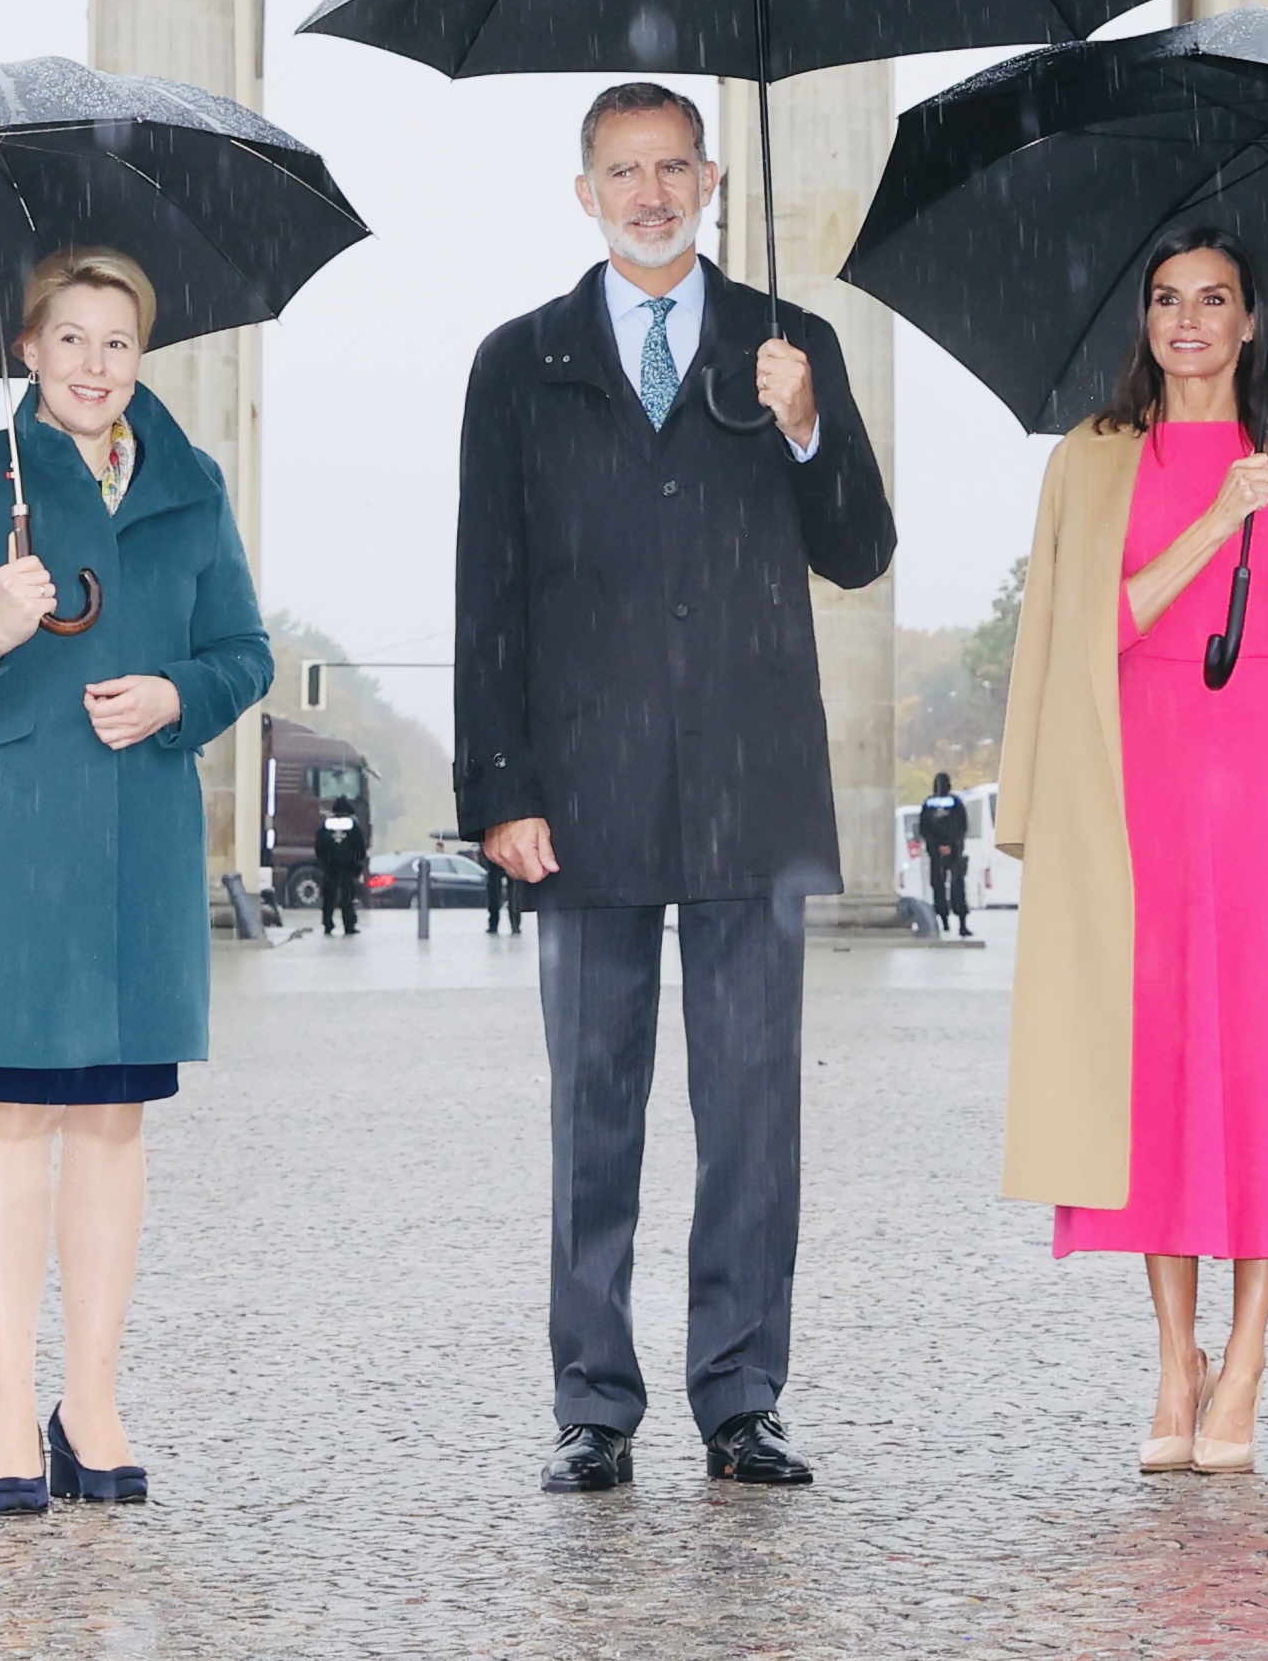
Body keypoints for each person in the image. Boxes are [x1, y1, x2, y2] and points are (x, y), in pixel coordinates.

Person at [456, 82, 894, 1494]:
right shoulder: (516, 363)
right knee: (594, 1105)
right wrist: (498, 785)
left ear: (711, 178)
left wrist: (810, 424)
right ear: (583, 190)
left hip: (749, 787)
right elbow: (492, 596)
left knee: (754, 1110)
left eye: (671, 168)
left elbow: (860, 551)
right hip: (575, 796)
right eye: (620, 170)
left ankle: (741, 1392)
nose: (649, 192)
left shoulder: (790, 345)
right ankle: (593, 1399)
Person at [995, 225, 1268, 1479]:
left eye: (1214, 301)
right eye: (1167, 300)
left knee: (1261, 1081)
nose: (1188, 321)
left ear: (1250, 323)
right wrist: (1210, 525)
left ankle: (1241, 1369)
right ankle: (1171, 1361)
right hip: (1136, 804)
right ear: (1146, 321)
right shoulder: (1091, 461)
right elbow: (1096, 631)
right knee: (1158, 1082)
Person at [0, 246, 271, 1514]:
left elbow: (244, 651)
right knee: (12, 1123)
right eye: (72, 339)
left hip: (135, 841)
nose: (96, 366)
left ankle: (89, 1400)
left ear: (140, 359)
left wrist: (175, 697)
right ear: (27, 349)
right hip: (7, 842)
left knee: (112, 1125)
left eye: (119, 343)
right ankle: (3, 1410)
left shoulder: (191, 490)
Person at [919, 771, 974, 938]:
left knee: (939, 886)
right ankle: (961, 923)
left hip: (937, 852)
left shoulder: (928, 804)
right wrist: (952, 843)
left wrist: (937, 845)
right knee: (957, 886)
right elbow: (962, 826)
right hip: (954, 851)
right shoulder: (956, 803)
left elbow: (924, 828)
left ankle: (945, 922)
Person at [313, 792, 368, 939]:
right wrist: (358, 864)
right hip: (348, 867)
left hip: (330, 867)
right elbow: (360, 847)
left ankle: (327, 924)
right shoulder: (353, 824)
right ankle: (349, 925)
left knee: (329, 897)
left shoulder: (326, 824)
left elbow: (319, 845)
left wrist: (323, 862)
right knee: (347, 898)